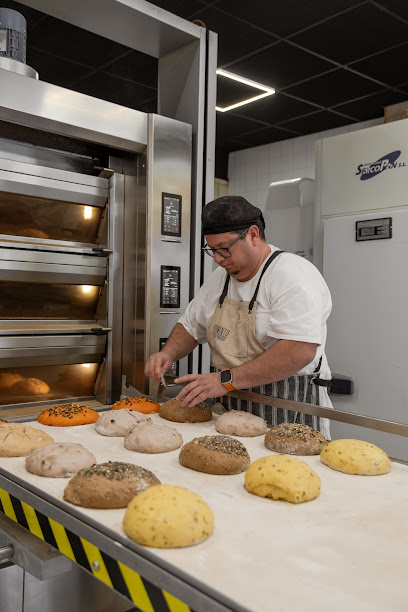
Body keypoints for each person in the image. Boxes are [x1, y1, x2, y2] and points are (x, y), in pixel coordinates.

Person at [145, 195, 333, 438]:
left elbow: (299, 350)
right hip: (231, 406)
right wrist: (168, 353)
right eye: (212, 250)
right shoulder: (220, 279)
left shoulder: (292, 275)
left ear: (253, 235)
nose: (217, 259)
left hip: (288, 406)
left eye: (224, 248)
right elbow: (191, 326)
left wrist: (225, 380)